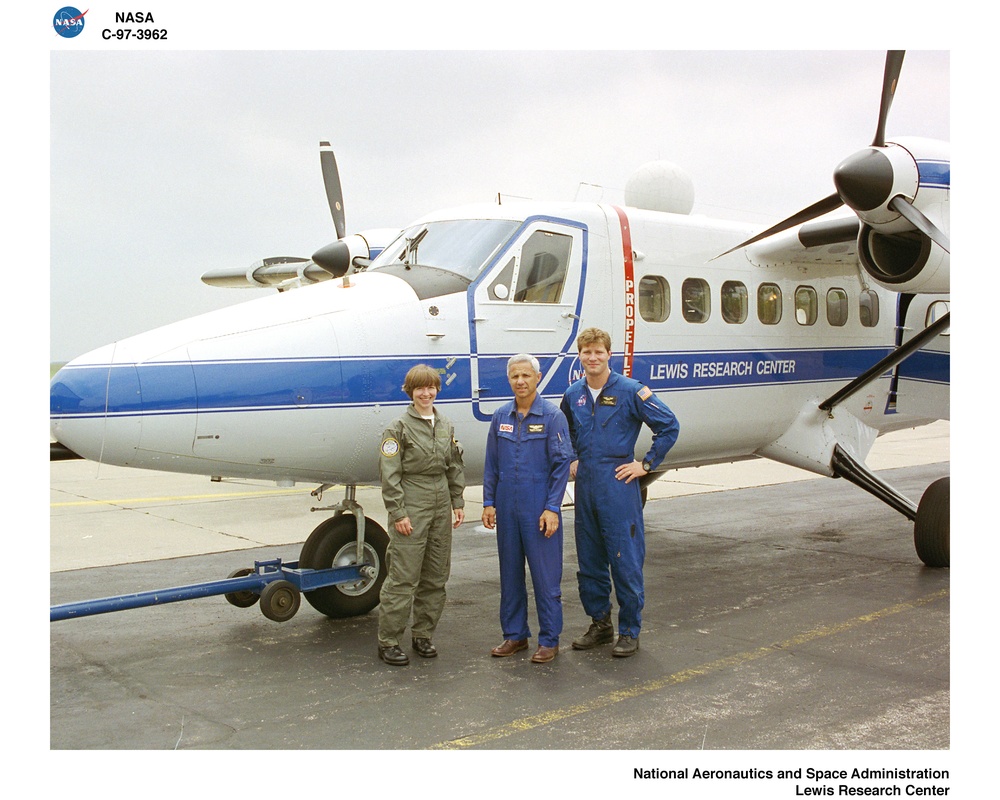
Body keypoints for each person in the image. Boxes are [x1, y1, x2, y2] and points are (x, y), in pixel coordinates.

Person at [560, 328, 679, 658]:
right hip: (586, 487)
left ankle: (629, 630)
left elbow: (669, 425)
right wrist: (572, 458)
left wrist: (647, 464)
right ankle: (600, 624)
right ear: (580, 356)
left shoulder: (631, 391)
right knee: (589, 560)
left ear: (609, 354)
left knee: (624, 559)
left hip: (618, 483)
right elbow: (565, 430)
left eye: (599, 352)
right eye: (587, 352)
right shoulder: (573, 394)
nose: (593, 358)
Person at [482, 354, 572, 663]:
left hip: (538, 505)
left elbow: (561, 466)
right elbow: (491, 464)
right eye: (514, 376)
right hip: (507, 504)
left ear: (537, 377)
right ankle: (515, 635)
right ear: (509, 380)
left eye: (526, 376)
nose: (520, 381)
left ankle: (549, 639)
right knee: (509, 574)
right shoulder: (500, 416)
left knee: (545, 576)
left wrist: (552, 508)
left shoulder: (551, 416)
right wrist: (488, 502)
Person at [377, 364, 466, 666]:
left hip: (441, 501)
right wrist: (398, 512)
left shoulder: (445, 425)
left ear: (437, 390)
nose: (425, 393)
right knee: (403, 577)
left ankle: (423, 635)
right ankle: (388, 641)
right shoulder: (397, 428)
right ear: (410, 391)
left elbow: (453, 465)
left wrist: (458, 501)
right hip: (412, 501)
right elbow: (389, 475)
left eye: (430, 388)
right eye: (419, 388)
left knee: (436, 575)